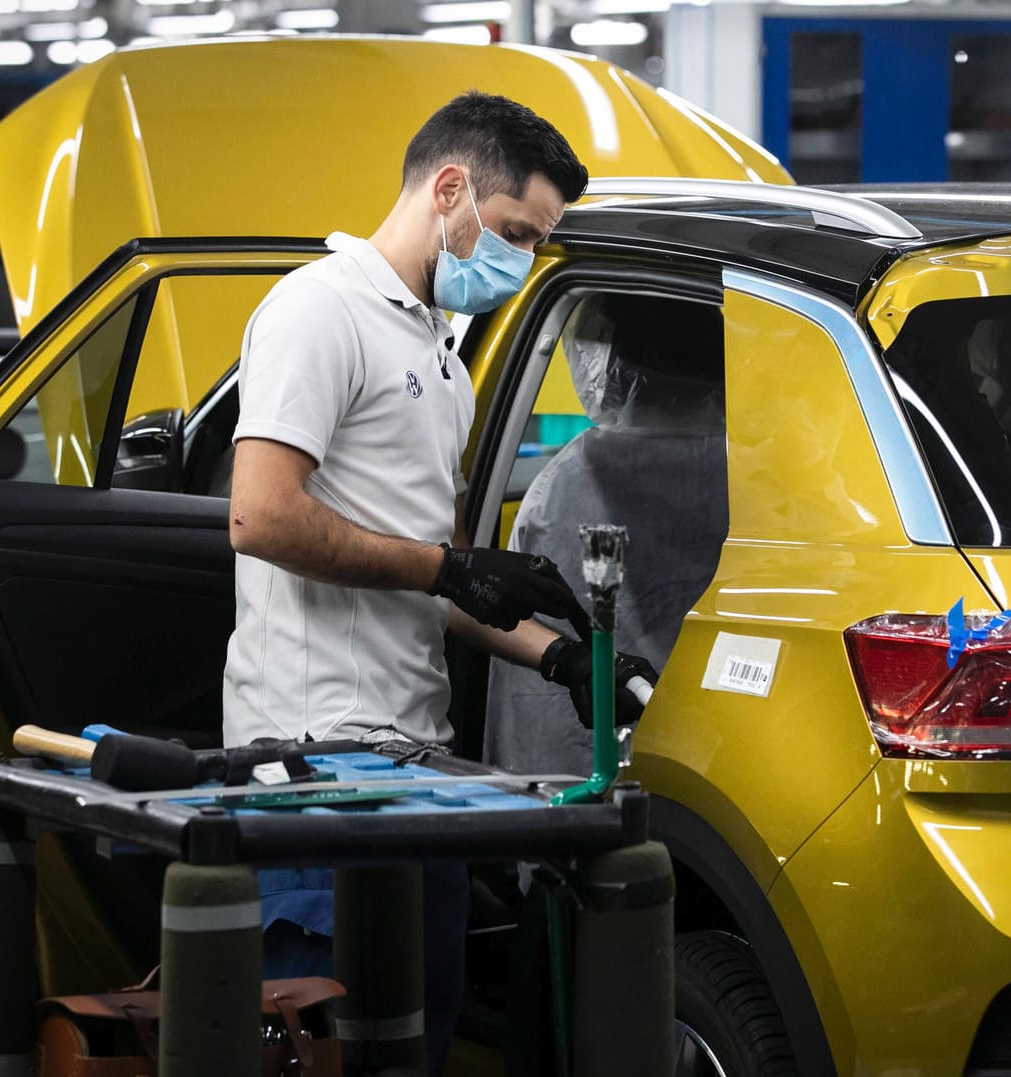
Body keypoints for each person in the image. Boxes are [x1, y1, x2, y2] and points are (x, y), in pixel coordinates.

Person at [222, 91, 653, 1075]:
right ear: (448, 189)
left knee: (412, 1048)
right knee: (319, 1055)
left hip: (419, 770)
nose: (516, 260)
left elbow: (447, 583)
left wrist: (562, 655)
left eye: (534, 245)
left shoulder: (444, 363)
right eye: (512, 233)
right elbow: (260, 515)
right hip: (313, 762)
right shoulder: (318, 310)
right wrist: (449, 564)